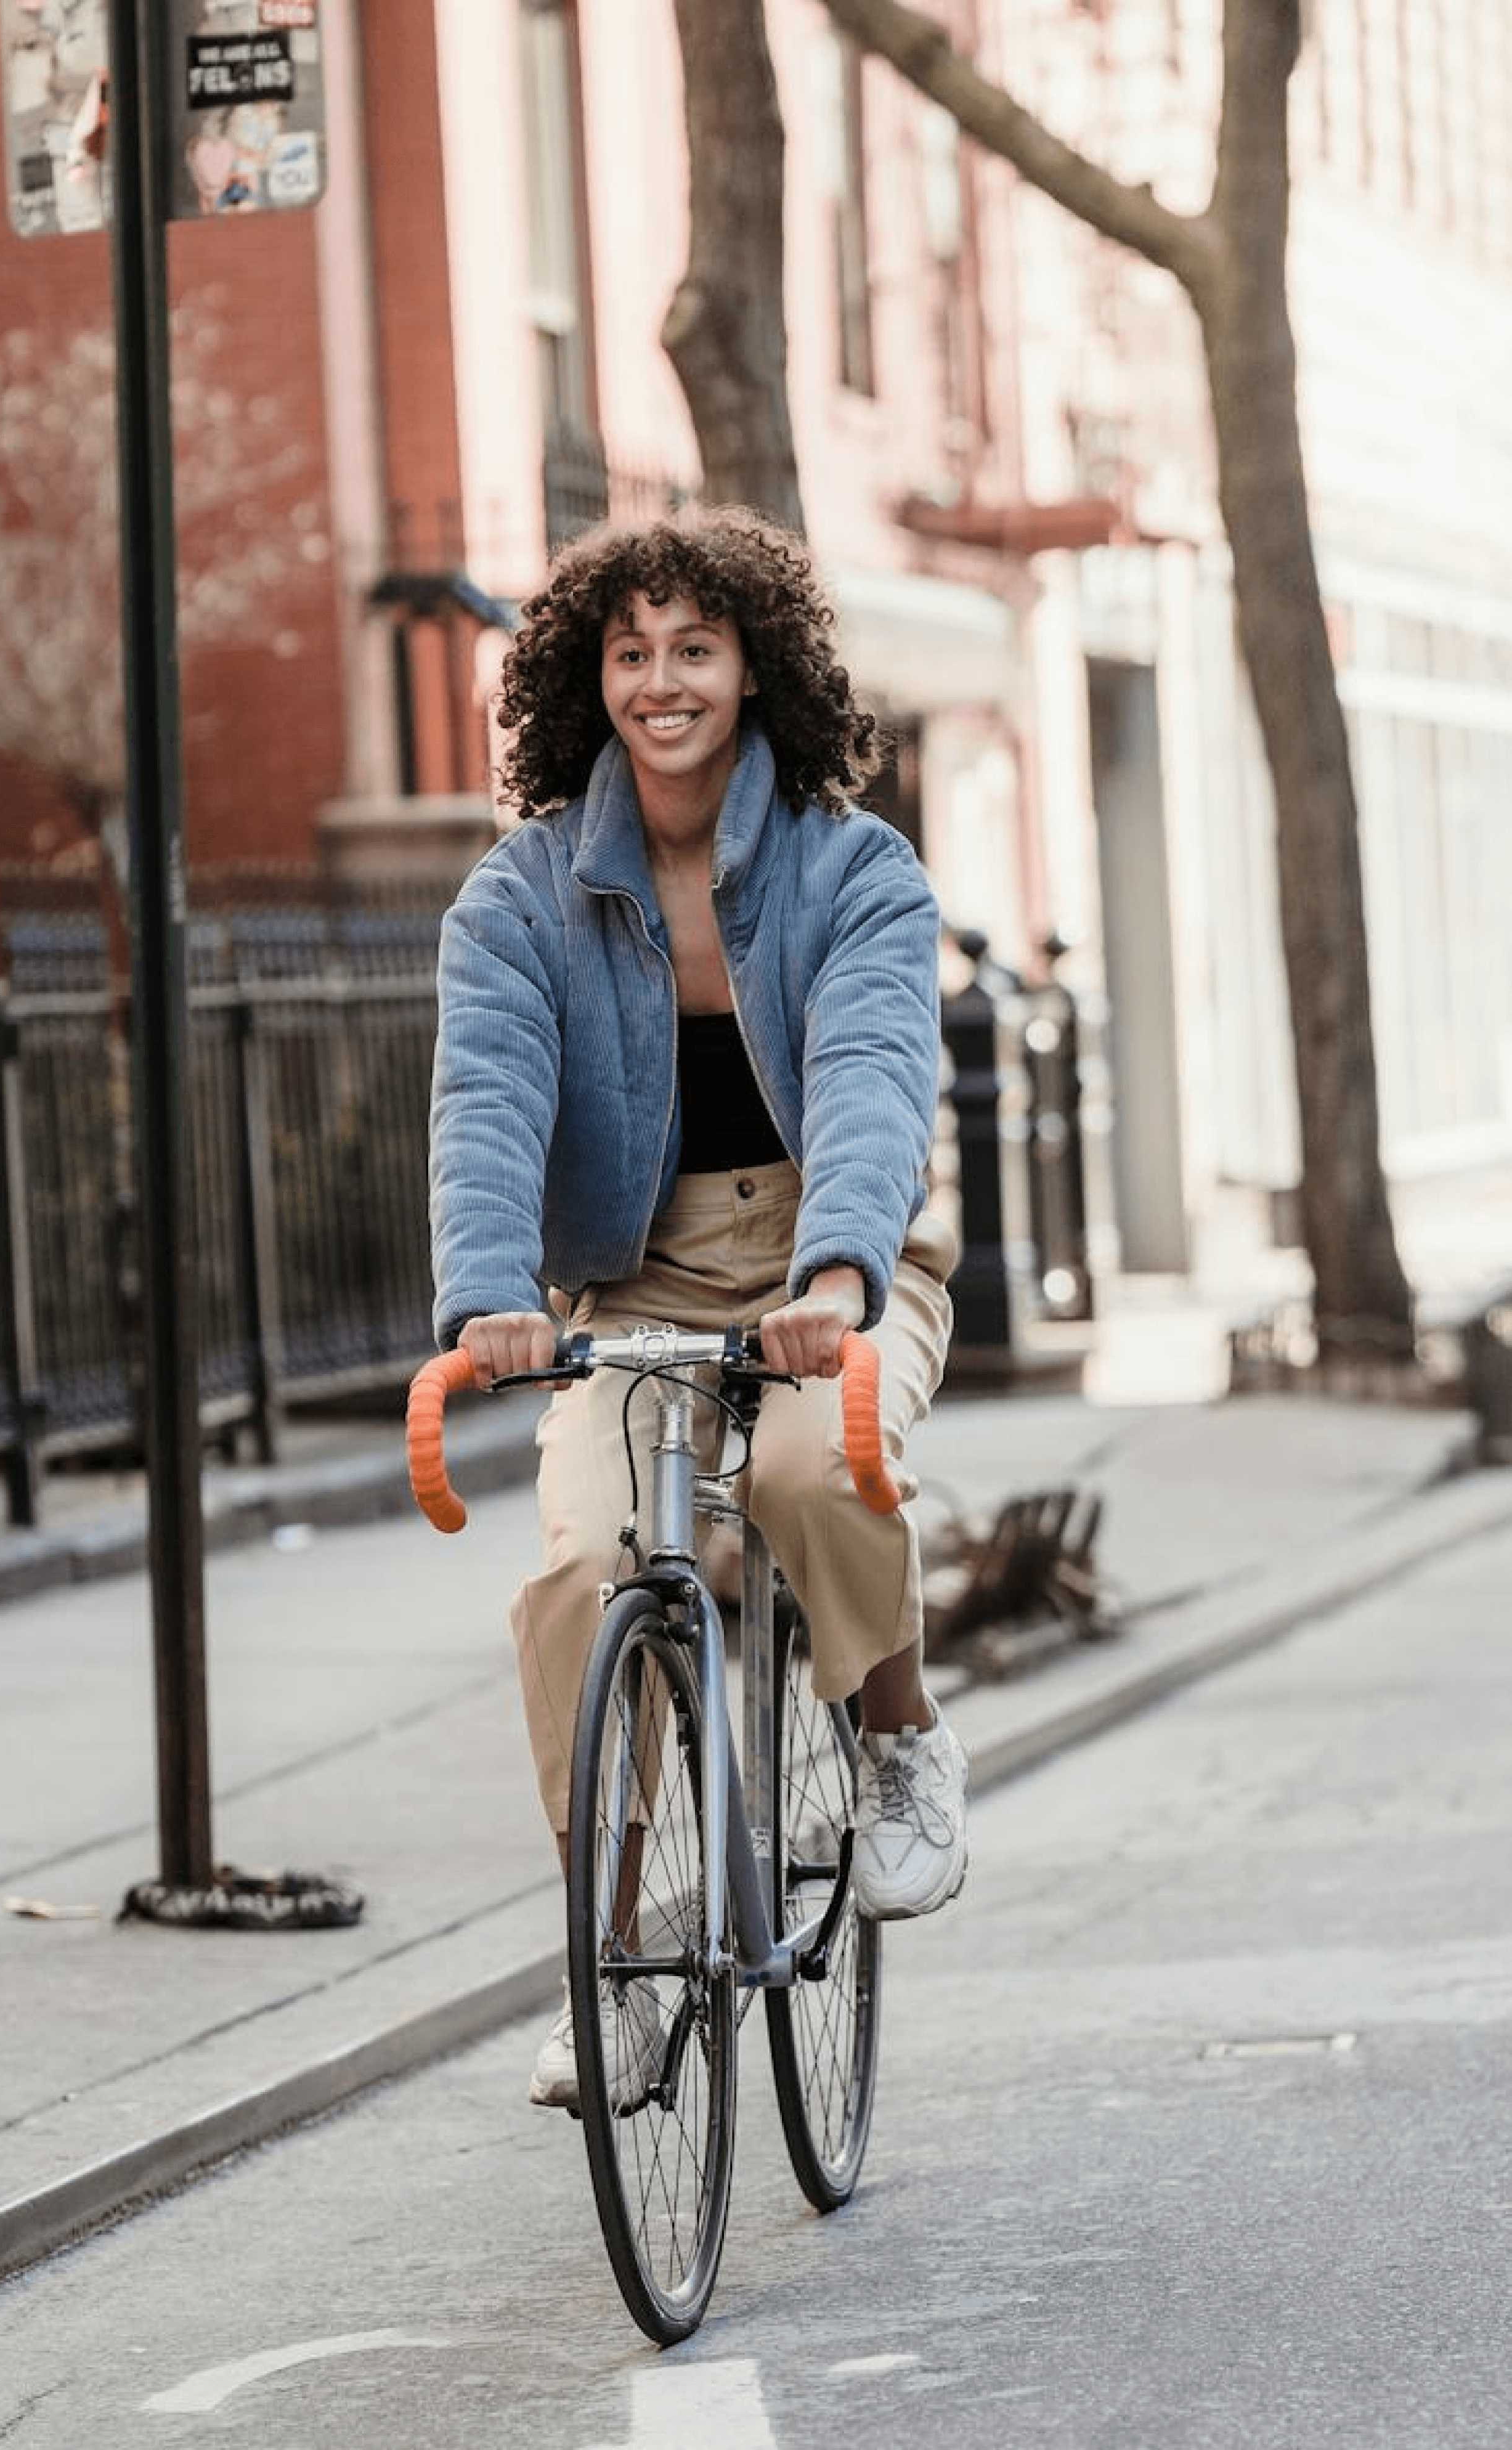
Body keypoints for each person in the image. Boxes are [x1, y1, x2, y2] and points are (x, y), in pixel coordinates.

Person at [426, 506, 969, 2110]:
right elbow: (485, 1098)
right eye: (628, 650)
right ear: (587, 681)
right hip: (635, 1279)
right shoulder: (522, 895)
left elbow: (873, 1080)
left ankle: (898, 1741)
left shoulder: (848, 872)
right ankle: (616, 1967)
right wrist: (485, 1299)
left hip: (833, 1262)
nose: (661, 680)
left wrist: (840, 1271)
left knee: (808, 1473)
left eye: (694, 649)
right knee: (591, 1574)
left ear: (752, 673)